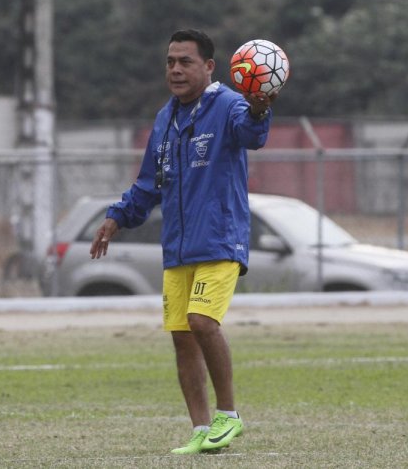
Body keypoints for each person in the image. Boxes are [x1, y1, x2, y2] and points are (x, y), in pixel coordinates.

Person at [90, 28, 275, 455]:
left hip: (220, 241)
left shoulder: (229, 104)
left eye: (185, 61)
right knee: (181, 335)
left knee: (202, 323)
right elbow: (149, 183)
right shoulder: (165, 118)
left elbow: (251, 134)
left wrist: (260, 110)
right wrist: (116, 218)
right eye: (170, 61)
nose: (175, 69)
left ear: (209, 67)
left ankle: (229, 416)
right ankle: (200, 427)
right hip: (177, 248)